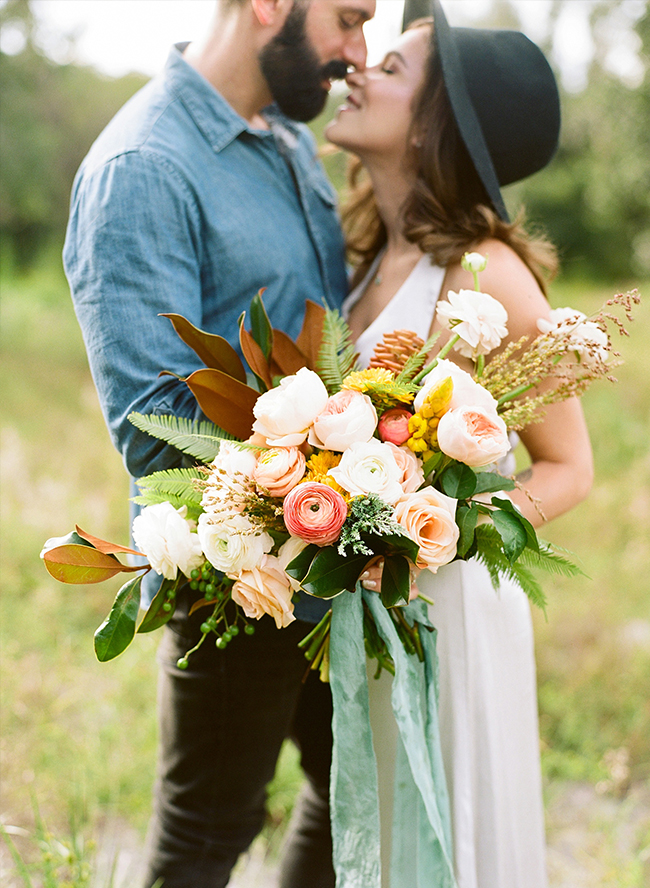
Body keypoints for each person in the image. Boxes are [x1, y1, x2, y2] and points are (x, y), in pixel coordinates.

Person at [63, 1, 376, 886]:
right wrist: (358, 469)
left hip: (337, 555)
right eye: (349, 19)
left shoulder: (284, 142)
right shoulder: (144, 167)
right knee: (207, 833)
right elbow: (154, 424)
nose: (358, 54)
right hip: (233, 577)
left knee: (352, 791)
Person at [325, 2, 594, 886]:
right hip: (375, 604)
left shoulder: (487, 272)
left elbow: (569, 464)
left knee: (453, 828)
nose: (358, 69)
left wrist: (436, 529)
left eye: (392, 68)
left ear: (433, 125)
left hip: (453, 607)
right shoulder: (366, 257)